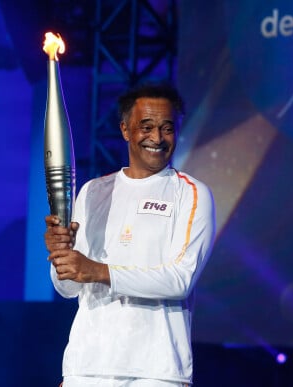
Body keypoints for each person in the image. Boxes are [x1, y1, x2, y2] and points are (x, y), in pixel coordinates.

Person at [44, 83, 216, 387]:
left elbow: (180, 279)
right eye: (146, 127)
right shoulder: (92, 192)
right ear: (126, 130)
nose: (157, 138)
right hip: (87, 366)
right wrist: (61, 258)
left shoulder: (191, 194)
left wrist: (97, 270)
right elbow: (69, 288)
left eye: (167, 128)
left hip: (156, 370)